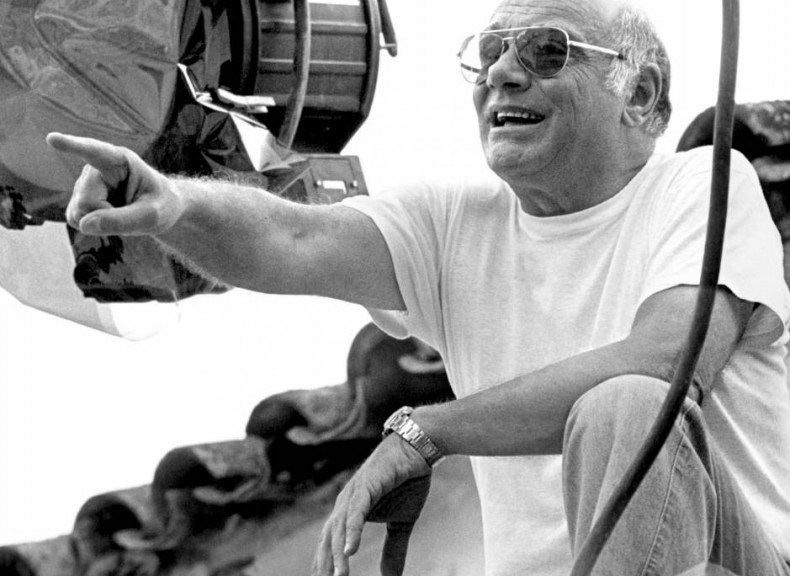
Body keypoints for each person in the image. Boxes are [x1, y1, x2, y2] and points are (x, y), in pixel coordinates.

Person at [46, 0, 790, 574]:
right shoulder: (453, 224)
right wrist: (178, 206)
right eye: (490, 53)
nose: (502, 73)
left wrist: (427, 432)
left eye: (546, 51)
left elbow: (665, 365)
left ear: (640, 92)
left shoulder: (703, 183)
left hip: (731, 561)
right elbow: (292, 238)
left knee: (624, 405)